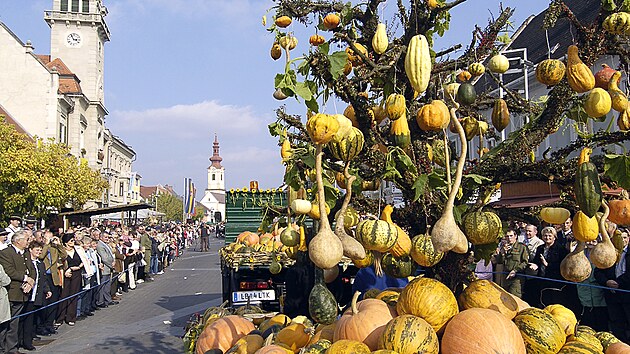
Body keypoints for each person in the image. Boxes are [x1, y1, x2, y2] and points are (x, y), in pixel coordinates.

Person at [0, 230, 36, 354]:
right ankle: (4, 347)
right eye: (26, 239)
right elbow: (9, 271)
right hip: (12, 293)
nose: (28, 242)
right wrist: (26, 278)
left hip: (24, 293)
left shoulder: (25, 253)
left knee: (15, 323)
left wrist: (31, 282)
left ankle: (12, 348)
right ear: (18, 241)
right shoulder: (6, 253)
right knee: (6, 323)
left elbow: (32, 269)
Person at [595, 227, 630, 342]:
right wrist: (606, 282)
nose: (622, 240)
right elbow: (598, 271)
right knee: (616, 323)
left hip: (626, 293)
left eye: (624, 237)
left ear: (628, 239)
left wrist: (619, 283)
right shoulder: (608, 252)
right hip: (612, 295)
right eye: (619, 238)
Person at [20, 241, 50, 351]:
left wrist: (47, 290)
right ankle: (22, 341)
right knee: (24, 319)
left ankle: (28, 340)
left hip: (36, 294)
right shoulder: (26, 262)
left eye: (40, 250)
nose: (39, 252)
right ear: (31, 250)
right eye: (37, 250)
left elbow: (43, 278)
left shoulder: (40, 263)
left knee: (31, 319)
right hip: (26, 295)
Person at [528, 226, 569, 308]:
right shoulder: (540, 248)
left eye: (550, 236)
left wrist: (547, 264)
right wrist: (535, 265)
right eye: (545, 236)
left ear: (554, 237)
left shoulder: (560, 249)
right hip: (542, 278)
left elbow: (563, 265)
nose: (547, 238)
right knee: (542, 300)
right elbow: (537, 261)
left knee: (553, 302)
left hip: (555, 280)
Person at [38, 230, 65, 336]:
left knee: (53, 301)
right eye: (47, 237)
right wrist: (46, 244)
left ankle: (50, 324)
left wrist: (59, 245)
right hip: (44, 276)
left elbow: (64, 256)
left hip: (53, 276)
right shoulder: (40, 247)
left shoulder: (54, 248)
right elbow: (41, 256)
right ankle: (42, 325)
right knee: (45, 302)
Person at [56, 233, 85, 326]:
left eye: (73, 240)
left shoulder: (78, 249)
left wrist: (78, 267)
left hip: (76, 273)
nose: (73, 242)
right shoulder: (62, 251)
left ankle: (71, 317)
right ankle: (60, 317)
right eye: (71, 240)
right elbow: (59, 262)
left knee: (73, 295)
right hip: (66, 274)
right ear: (66, 242)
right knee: (64, 295)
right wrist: (66, 270)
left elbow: (84, 260)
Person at [579, 239, 608, 332]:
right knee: (587, 318)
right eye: (588, 241)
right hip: (584, 289)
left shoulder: (601, 254)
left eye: (594, 241)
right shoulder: (580, 253)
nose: (590, 243)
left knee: (600, 318)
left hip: (598, 290)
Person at [494, 229, 529, 298]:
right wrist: (502, 253)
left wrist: (515, 270)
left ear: (515, 236)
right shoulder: (503, 247)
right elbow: (499, 261)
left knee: (515, 298)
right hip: (505, 277)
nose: (509, 238)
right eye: (507, 236)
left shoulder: (521, 247)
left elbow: (525, 262)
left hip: (516, 278)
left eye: (511, 236)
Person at [95, 231, 115, 308]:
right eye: (105, 237)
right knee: (102, 286)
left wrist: (113, 261)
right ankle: (100, 301)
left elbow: (110, 255)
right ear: (101, 237)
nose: (107, 239)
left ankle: (108, 299)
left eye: (108, 237)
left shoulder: (106, 244)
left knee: (107, 285)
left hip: (109, 268)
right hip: (105, 268)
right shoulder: (100, 245)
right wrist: (111, 264)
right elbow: (105, 258)